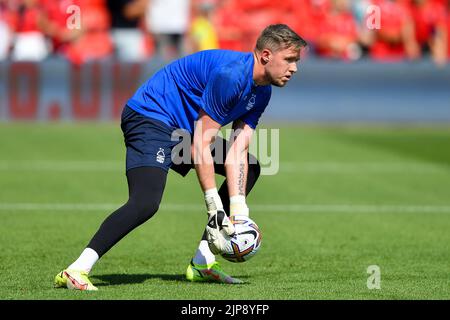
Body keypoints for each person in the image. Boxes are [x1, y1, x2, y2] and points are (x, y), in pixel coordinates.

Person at [54, 24, 307, 291]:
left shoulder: (262, 91)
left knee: (252, 167)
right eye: (289, 59)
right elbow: (201, 143)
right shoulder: (232, 76)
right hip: (150, 116)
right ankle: (76, 269)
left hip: (182, 130)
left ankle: (202, 263)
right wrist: (214, 207)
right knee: (145, 202)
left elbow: (238, 149)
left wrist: (239, 212)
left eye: (296, 61)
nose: (294, 68)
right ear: (266, 56)